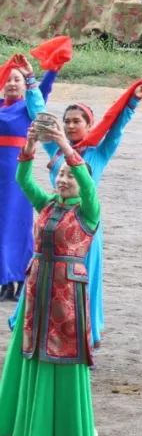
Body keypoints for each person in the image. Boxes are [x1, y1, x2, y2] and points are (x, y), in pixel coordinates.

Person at [0, 122, 99, 436]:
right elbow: (24, 181)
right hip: (38, 291)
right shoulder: (48, 206)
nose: (62, 181)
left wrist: (63, 145)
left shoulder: (88, 212)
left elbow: (87, 185)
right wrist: (29, 143)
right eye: (59, 176)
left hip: (66, 299)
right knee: (33, 359)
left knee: (65, 364)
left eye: (68, 178)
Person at [36, 83, 142, 348]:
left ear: (89, 126)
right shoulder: (55, 152)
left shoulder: (98, 153)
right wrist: (33, 83)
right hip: (56, 226)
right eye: (66, 121)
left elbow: (116, 128)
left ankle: (88, 334)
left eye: (77, 121)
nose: (70, 125)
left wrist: (132, 102)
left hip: (85, 227)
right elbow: (38, 113)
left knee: (84, 282)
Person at [0, 54, 56, 302]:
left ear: (24, 85)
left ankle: (22, 278)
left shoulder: (28, 107)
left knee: (18, 225)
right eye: (8, 80)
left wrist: (53, 67)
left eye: (17, 80)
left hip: (16, 171)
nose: (12, 83)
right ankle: (4, 281)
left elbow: (43, 89)